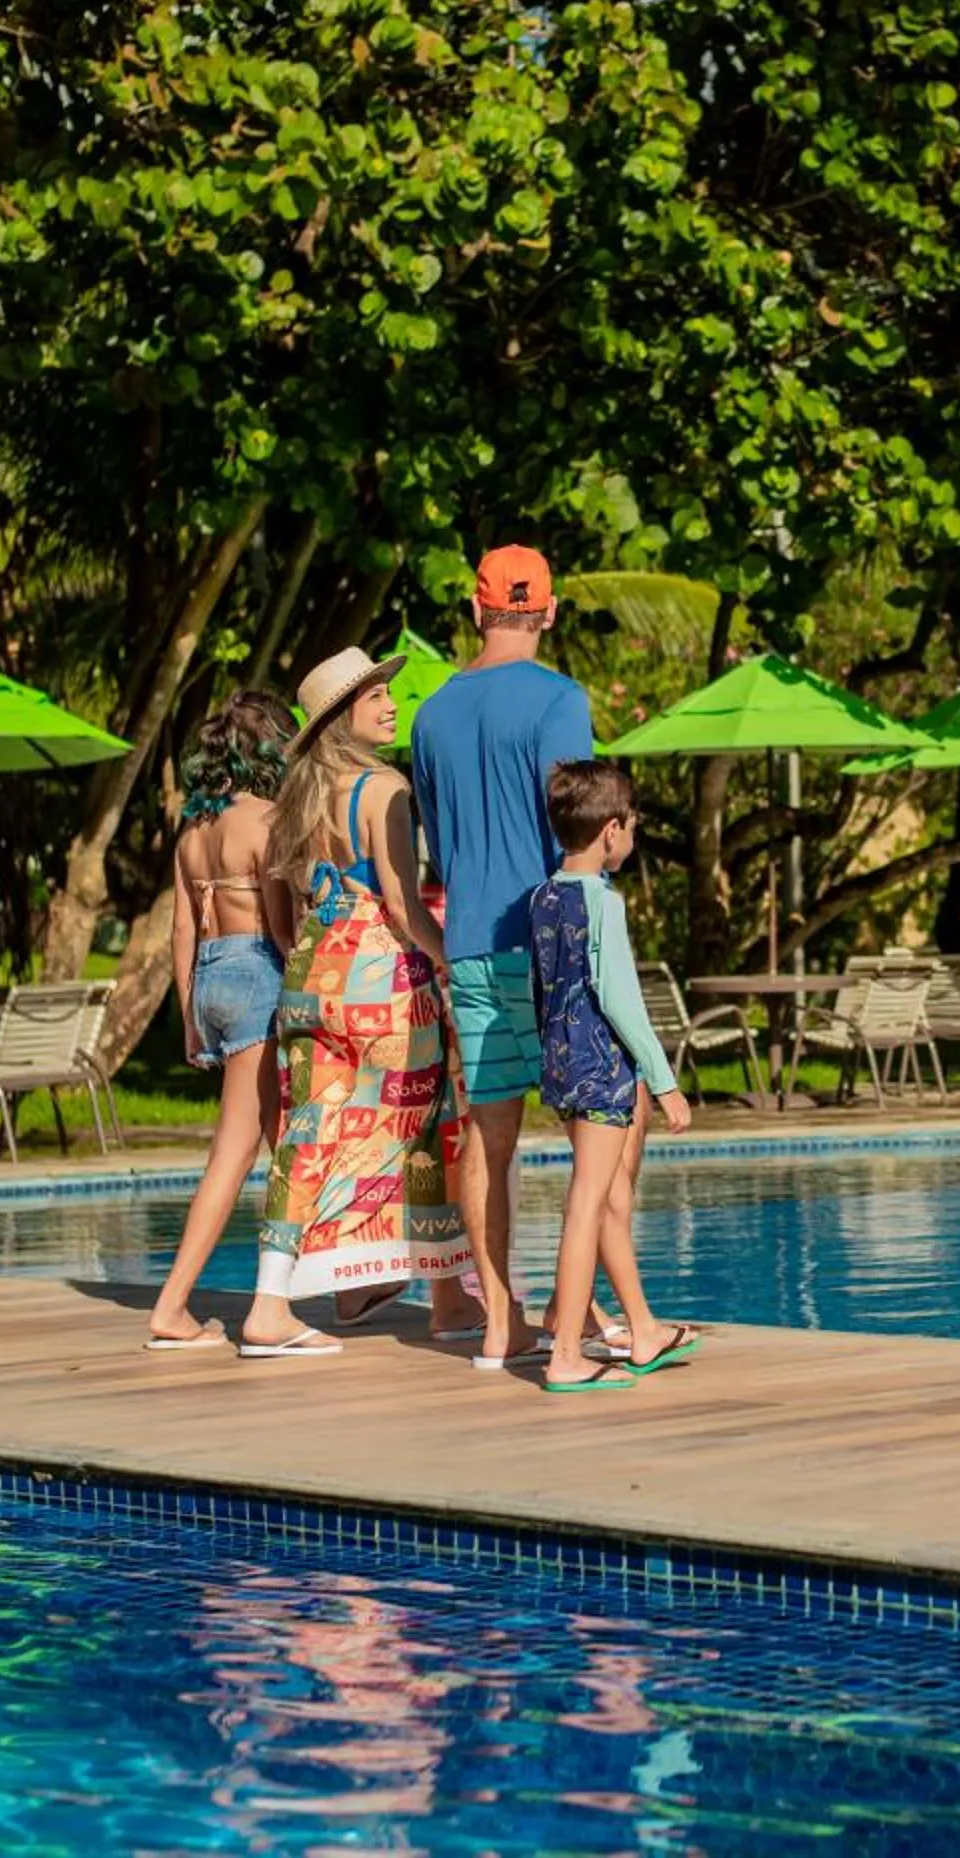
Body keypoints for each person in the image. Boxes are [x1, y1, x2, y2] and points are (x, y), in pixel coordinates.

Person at [239, 647, 469, 1359]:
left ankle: (271, 1304)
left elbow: (280, 919)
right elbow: (402, 902)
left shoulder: (297, 800)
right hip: (382, 981)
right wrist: (448, 961)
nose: (390, 703)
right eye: (375, 696)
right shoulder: (384, 788)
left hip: (311, 978)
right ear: (344, 715)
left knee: (307, 1140)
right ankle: (448, 1298)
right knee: (423, 1129)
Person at [408, 545, 595, 1367]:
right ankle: (577, 1311)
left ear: (477, 611)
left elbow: (441, 847)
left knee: (488, 1141)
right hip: (549, 939)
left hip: (474, 940)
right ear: (548, 613)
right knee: (605, 1127)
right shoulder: (561, 700)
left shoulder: (431, 713)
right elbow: (578, 827)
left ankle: (497, 1322)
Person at [527, 760, 695, 1393]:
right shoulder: (603, 904)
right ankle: (566, 1353)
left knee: (610, 1200)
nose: (632, 838)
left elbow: (539, 989)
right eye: (632, 827)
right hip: (601, 1066)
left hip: (563, 1061)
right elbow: (622, 999)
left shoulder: (541, 897)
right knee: (588, 1203)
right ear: (611, 831)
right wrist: (664, 1078)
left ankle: (643, 1330)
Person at [144, 690, 298, 1352]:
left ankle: (346, 1284)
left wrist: (188, 1018)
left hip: (208, 977)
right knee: (234, 1154)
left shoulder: (194, 833)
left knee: (290, 1139)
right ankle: (172, 1305)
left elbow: (181, 929)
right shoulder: (264, 824)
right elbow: (283, 929)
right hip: (257, 974)